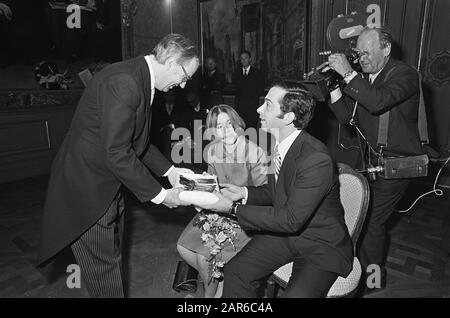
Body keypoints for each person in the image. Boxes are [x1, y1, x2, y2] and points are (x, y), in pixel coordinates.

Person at [37, 34, 200, 298]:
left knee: (110, 261)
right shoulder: (125, 82)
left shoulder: (140, 79)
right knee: (105, 274)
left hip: (108, 187)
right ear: (170, 61)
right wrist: (162, 196)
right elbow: (117, 153)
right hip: (87, 192)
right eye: (184, 76)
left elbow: (138, 144)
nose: (182, 85)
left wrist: (171, 172)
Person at [195, 82, 353, 298]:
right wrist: (244, 193)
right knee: (236, 271)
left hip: (319, 244)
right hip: (286, 235)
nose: (259, 109)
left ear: (287, 117)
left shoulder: (316, 159)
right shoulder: (277, 146)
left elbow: (290, 219)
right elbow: (274, 193)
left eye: (267, 105)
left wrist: (232, 209)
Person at [327, 26, 425, 293]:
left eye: (367, 52)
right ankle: (358, 270)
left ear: (386, 49)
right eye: (359, 53)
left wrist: (348, 73)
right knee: (360, 215)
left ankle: (372, 281)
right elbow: (348, 117)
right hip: (373, 162)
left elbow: (378, 102)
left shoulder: (404, 75)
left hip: (398, 165)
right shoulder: (364, 78)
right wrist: (334, 87)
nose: (362, 58)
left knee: (371, 221)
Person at [177, 104, 268, 298]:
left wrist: (235, 202)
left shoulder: (255, 152)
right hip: (217, 211)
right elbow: (213, 185)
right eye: (219, 126)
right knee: (182, 248)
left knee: (204, 259)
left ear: (238, 124)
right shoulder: (213, 150)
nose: (226, 129)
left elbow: (265, 195)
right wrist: (200, 190)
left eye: (230, 123)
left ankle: (208, 298)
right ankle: (219, 281)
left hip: (243, 215)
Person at [232, 50, 265, 130]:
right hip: (239, 108)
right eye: (241, 58)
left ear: (250, 59)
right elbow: (235, 88)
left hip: (252, 108)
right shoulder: (236, 73)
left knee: (251, 131)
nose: (243, 60)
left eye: (245, 58)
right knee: (240, 131)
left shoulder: (257, 73)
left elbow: (260, 89)